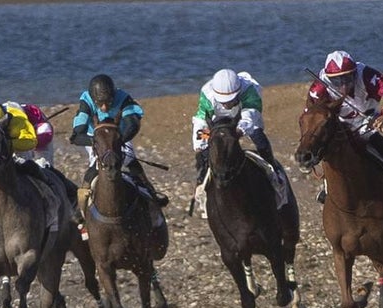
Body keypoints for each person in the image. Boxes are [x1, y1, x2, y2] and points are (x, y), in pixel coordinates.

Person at [306, 51, 383, 207]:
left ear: (354, 72)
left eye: (347, 78)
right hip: (338, 124)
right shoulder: (319, 87)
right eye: (337, 81)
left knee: (378, 142)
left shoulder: (367, 75)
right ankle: (328, 187)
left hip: (367, 120)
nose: (343, 85)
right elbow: (310, 114)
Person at [191, 69, 288, 214]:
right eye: (223, 102)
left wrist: (238, 131)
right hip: (217, 122)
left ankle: (274, 175)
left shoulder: (249, 89)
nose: (226, 105)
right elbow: (201, 120)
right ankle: (201, 183)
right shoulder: (207, 94)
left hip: (245, 120)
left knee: (259, 139)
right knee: (202, 150)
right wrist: (200, 144)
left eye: (230, 101)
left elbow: (251, 114)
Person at [70, 74, 168, 210]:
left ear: (113, 95)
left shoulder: (123, 99)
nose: (104, 107)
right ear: (93, 99)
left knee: (129, 159)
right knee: (96, 165)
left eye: (108, 102)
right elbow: (77, 134)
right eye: (99, 103)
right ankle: (80, 207)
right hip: (95, 137)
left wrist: (116, 141)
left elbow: (132, 125)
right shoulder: (86, 101)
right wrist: (97, 142)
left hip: (119, 136)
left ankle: (151, 194)